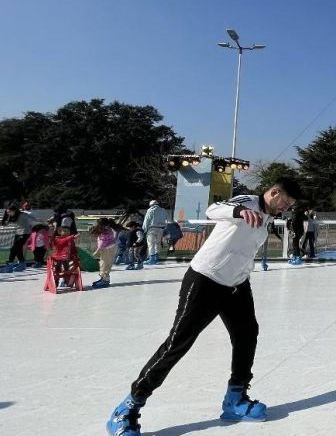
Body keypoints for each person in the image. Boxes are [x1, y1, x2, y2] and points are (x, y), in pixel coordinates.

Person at [105, 178, 299, 436]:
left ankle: (235, 399)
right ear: (274, 193)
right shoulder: (248, 201)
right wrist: (239, 211)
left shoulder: (267, 216)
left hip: (237, 284)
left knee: (247, 336)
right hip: (206, 280)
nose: (286, 208)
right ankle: (127, 407)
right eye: (285, 202)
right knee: (178, 343)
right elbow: (213, 209)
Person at [0, 204, 37, 272]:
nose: (9, 214)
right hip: (18, 233)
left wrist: (34, 224)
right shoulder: (13, 216)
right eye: (8, 213)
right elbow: (7, 223)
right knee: (18, 249)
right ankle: (22, 264)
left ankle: (9, 265)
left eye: (10, 212)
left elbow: (33, 219)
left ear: (14, 210)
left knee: (13, 248)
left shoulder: (22, 214)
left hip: (25, 233)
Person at [90, 218, 121, 288]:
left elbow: (101, 245)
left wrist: (94, 253)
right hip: (108, 249)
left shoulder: (105, 232)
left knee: (104, 265)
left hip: (107, 249)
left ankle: (105, 281)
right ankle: (103, 279)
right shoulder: (106, 229)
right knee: (103, 264)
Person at [142, 200, 168, 265]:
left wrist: (144, 229)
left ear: (151, 205)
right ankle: (156, 257)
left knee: (151, 244)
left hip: (152, 229)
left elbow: (147, 220)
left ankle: (152, 259)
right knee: (157, 243)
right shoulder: (163, 210)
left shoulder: (151, 210)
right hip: (161, 229)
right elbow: (166, 220)